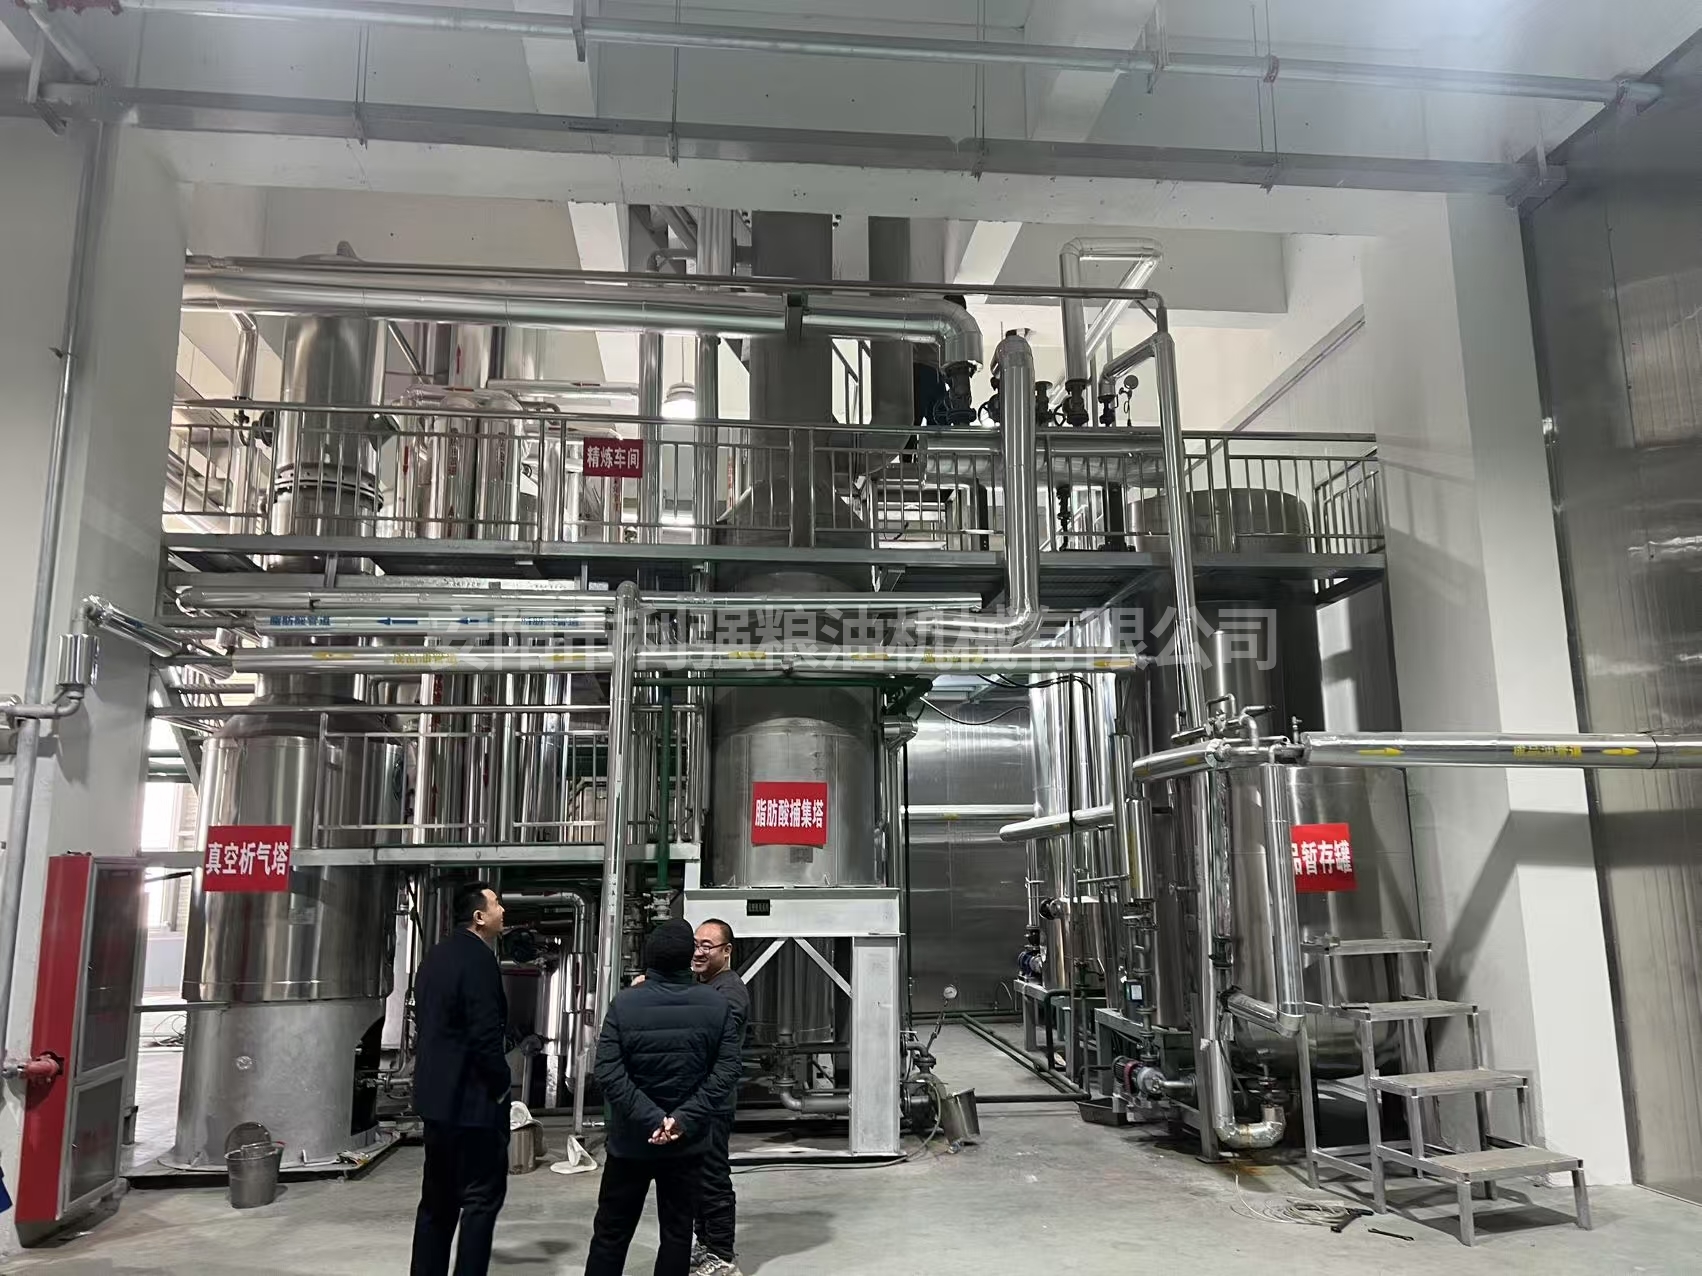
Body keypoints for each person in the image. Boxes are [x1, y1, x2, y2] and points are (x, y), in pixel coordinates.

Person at [585, 919, 742, 1276]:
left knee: (611, 1233)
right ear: (688, 957)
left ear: (649, 958)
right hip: (686, 1144)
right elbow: (727, 1071)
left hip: (631, 1142)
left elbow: (608, 1071)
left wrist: (651, 1119)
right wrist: (680, 1120)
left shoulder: (625, 1004)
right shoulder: (715, 1005)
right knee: (676, 1234)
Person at [411, 881, 511, 1276]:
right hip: (473, 1105)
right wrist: (501, 1085)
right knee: (480, 1201)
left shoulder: (435, 957)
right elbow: (484, 1034)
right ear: (479, 916)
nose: (503, 909)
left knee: (437, 1204)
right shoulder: (479, 960)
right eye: (496, 904)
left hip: (436, 1103)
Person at [689, 919, 749, 1276]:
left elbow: (709, 1034)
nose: (698, 951)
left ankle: (723, 1256)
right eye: (696, 943)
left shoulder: (730, 990)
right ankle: (705, 1244)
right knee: (698, 1178)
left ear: (726, 951)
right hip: (696, 1101)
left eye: (707, 945)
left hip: (714, 1102)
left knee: (712, 1178)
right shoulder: (705, 985)